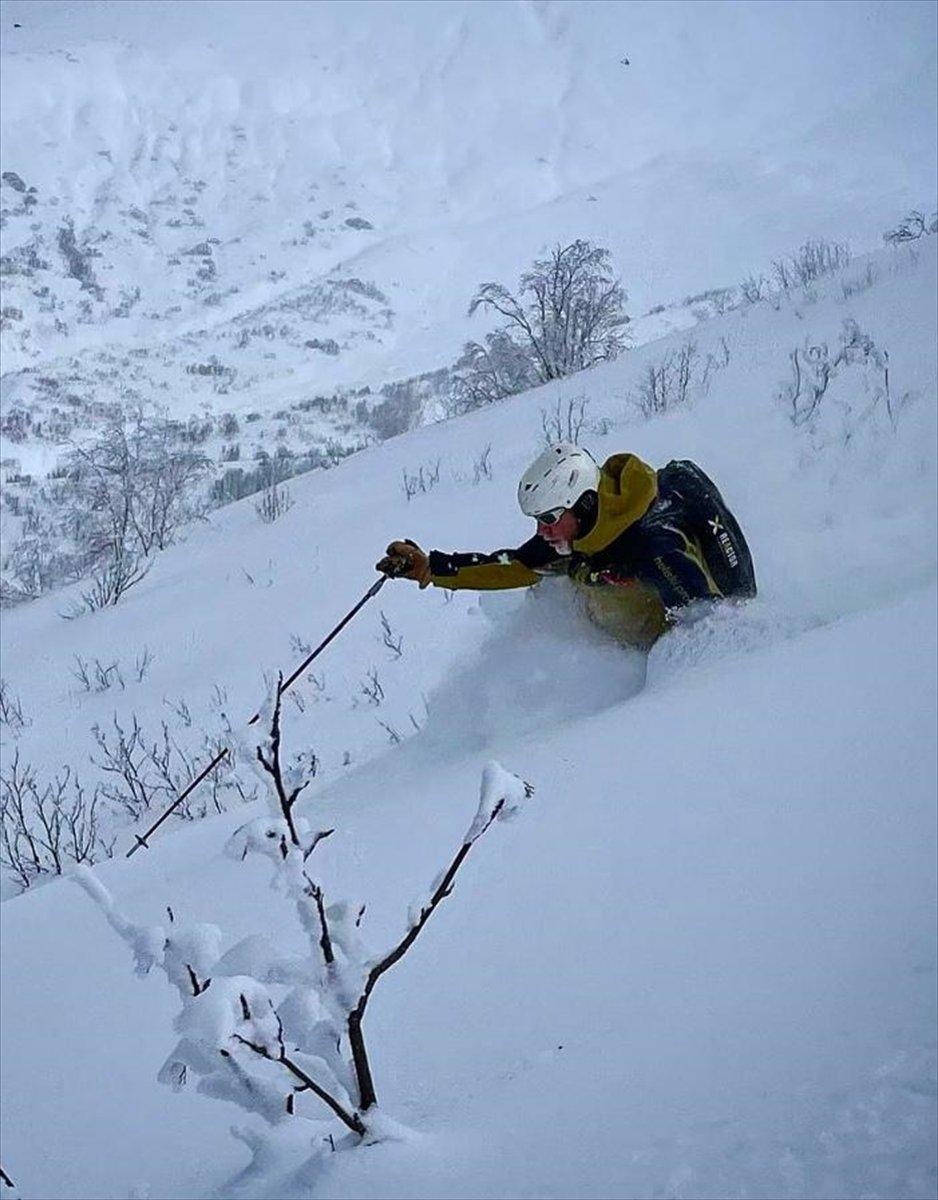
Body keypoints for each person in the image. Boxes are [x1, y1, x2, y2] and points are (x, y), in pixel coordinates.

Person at [377, 443, 756, 650]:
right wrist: (433, 567)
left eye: (548, 518)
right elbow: (517, 566)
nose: (541, 531)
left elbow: (710, 629)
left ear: (584, 503)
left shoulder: (656, 547)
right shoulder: (578, 530)